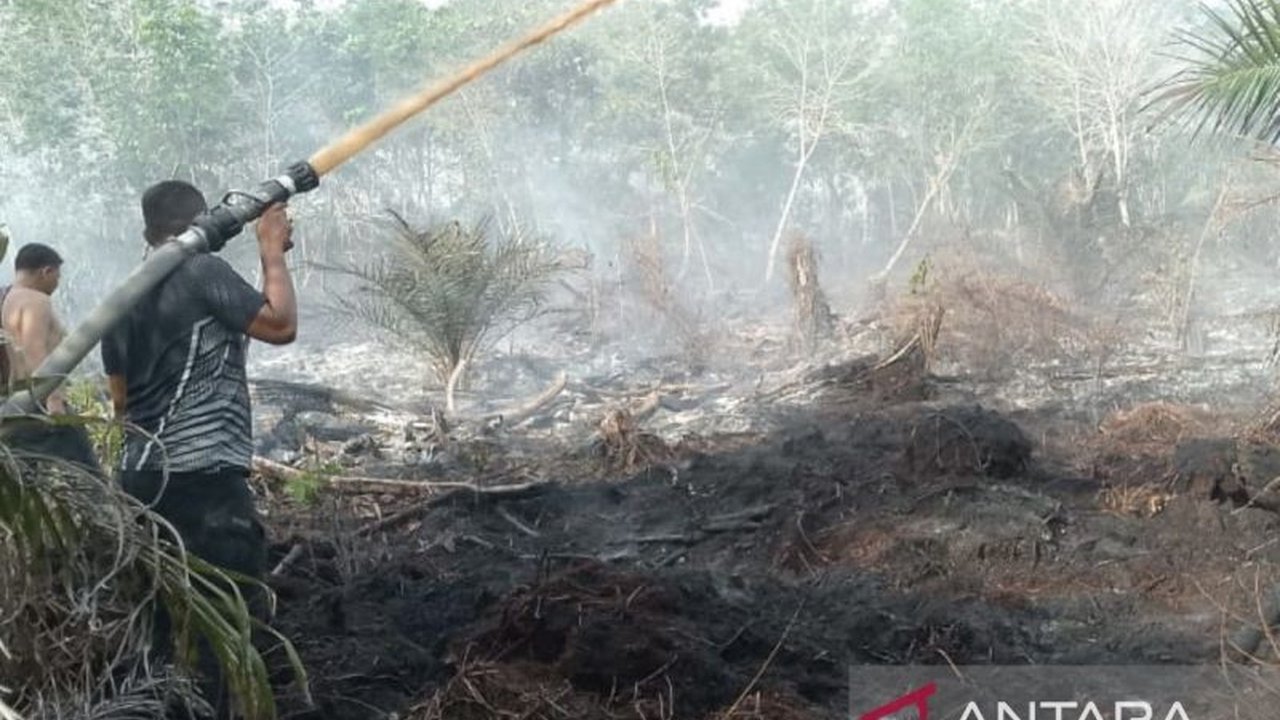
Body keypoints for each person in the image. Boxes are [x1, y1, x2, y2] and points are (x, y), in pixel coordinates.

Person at [101, 180, 297, 717]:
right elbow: (280, 325)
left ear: (147, 232)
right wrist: (271, 251)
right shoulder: (202, 271)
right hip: (203, 482)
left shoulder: (123, 295)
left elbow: (121, 406)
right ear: (202, 222)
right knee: (228, 627)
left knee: (162, 630)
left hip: (141, 481)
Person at [0, 243, 99, 471]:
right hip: (42, 404)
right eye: (57, 276)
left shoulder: (8, 299)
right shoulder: (37, 300)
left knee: (26, 475)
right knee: (89, 473)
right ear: (46, 271)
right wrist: (54, 400)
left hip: (18, 403)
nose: (57, 283)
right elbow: (34, 349)